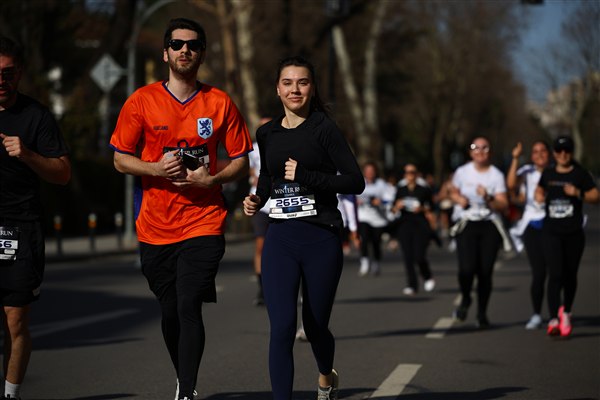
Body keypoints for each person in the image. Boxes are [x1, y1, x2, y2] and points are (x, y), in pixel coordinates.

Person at [109, 18, 252, 400]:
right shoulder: (141, 101)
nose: (184, 50)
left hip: (204, 220)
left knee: (189, 303)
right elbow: (120, 159)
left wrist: (212, 179)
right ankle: (182, 376)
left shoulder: (219, 102)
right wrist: (155, 168)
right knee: (170, 310)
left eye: (192, 45)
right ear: (166, 53)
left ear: (201, 53)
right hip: (155, 225)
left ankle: (186, 391)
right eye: (177, 44)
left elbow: (242, 160)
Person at [242, 56, 364, 400]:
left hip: (320, 237)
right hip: (280, 237)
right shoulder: (267, 133)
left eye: (302, 82)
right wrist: (257, 199)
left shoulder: (324, 128)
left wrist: (308, 176)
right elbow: (268, 177)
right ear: (277, 89)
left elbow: (355, 181)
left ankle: (326, 375)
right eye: (288, 83)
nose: (294, 89)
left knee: (314, 325)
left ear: (312, 88)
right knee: (281, 328)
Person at [0, 36, 71, 400]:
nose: (1, 80)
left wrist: (27, 153)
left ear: (20, 73)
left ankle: (11, 394)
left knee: (15, 320)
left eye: (8, 72)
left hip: (19, 227)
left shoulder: (36, 116)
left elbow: (63, 173)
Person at [535, 136, 599, 338]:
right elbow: (539, 190)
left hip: (573, 233)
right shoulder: (548, 173)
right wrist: (539, 196)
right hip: (551, 232)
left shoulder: (580, 174)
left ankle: (567, 312)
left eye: (567, 151)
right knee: (555, 273)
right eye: (559, 151)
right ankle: (553, 318)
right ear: (554, 153)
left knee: (570, 275)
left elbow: (595, 196)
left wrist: (578, 193)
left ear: (571, 153)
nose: (563, 154)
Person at [449, 137, 509, 329]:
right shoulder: (462, 172)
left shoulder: (496, 175)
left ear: (490, 152)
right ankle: (466, 298)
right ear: (470, 152)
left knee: (485, 272)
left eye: (484, 147)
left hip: (489, 224)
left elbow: (503, 204)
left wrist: (488, 197)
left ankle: (482, 313)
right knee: (466, 269)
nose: (480, 151)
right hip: (467, 223)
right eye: (476, 147)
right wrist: (459, 199)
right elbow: (452, 191)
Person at [506, 141, 550, 329]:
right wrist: (515, 158)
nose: (539, 155)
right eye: (535, 152)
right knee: (539, 272)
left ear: (549, 154)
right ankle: (536, 314)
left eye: (543, 151)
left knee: (557, 273)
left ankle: (560, 313)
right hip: (532, 225)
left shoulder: (556, 172)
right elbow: (511, 184)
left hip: (554, 224)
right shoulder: (527, 172)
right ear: (531, 156)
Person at [391, 164, 436, 295]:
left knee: (419, 255)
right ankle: (412, 285)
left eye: (412, 172)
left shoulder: (424, 190)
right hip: (404, 224)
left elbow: (432, 207)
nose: (410, 175)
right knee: (408, 257)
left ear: (416, 174)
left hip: (420, 224)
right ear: (404, 175)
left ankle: (427, 275)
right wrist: (397, 206)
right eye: (407, 172)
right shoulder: (400, 190)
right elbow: (393, 209)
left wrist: (422, 209)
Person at [248, 117, 272, 306]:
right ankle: (262, 289)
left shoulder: (285, 144)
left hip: (282, 202)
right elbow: (248, 169)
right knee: (261, 246)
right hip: (260, 203)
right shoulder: (253, 149)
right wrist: (253, 178)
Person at [356, 162, 389, 276]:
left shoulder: (381, 184)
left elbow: (389, 198)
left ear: (375, 172)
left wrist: (381, 202)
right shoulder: (359, 183)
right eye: (367, 171)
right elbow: (350, 196)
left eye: (372, 171)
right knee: (364, 239)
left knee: (376, 242)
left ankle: (376, 263)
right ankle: (364, 262)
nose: (370, 173)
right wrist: (356, 201)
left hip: (378, 219)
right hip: (363, 216)